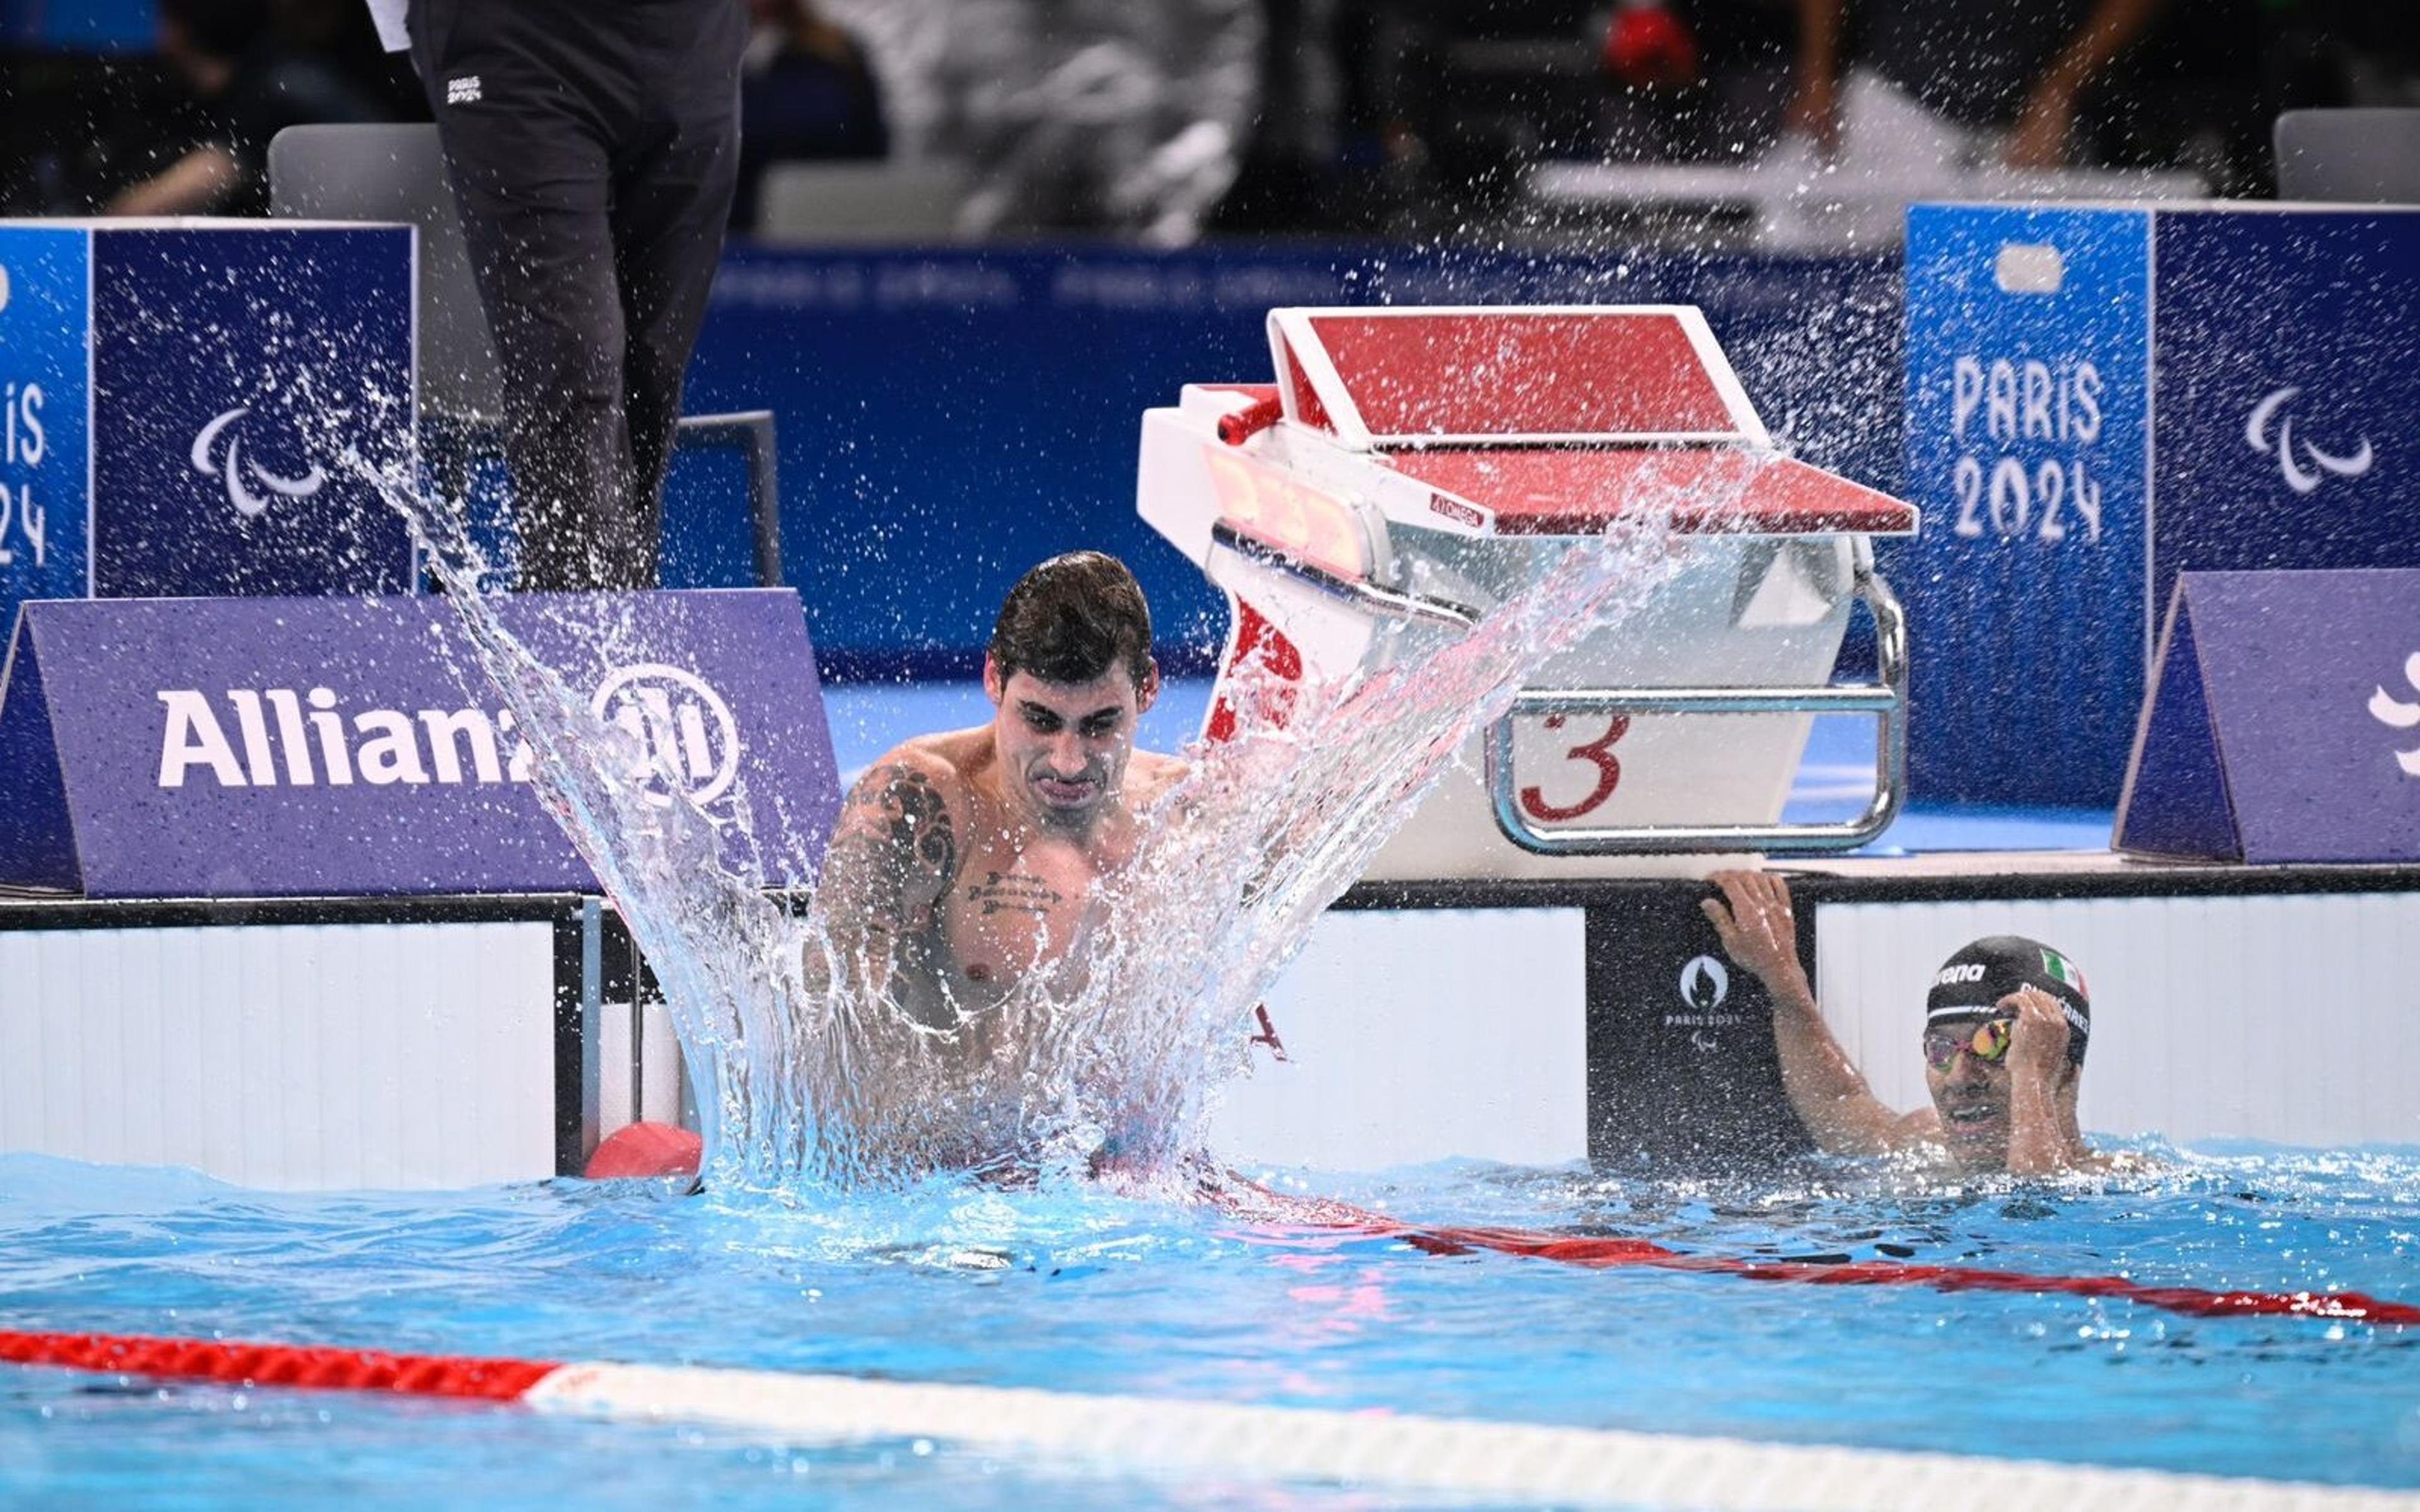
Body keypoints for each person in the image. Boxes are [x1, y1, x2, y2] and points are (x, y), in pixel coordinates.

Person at [369, 0, 747, 591]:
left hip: (691, 39)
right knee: (572, 354)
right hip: (516, 40)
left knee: (651, 365)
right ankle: (579, 621)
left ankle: (622, 611)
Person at [805, 551, 1187, 1032]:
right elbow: (827, 1032)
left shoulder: (1183, 812)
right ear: (993, 678)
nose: (1068, 762)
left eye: (1100, 724)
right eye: (1040, 720)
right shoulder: (920, 804)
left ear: (1148, 688)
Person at [1700, 871, 2107, 1175]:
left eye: (1996, 1046)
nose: (1960, 1078)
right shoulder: (1925, 1143)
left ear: (2065, 1074)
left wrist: (2031, 1075)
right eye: (1942, 1050)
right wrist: (1785, 982)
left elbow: (2038, 1216)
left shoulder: (2121, 1185)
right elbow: (1840, 1107)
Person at [107, 0, 386, 217]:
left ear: (178, 31)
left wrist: (91, 223)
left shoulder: (278, 89)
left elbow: (208, 176)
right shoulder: (276, 71)